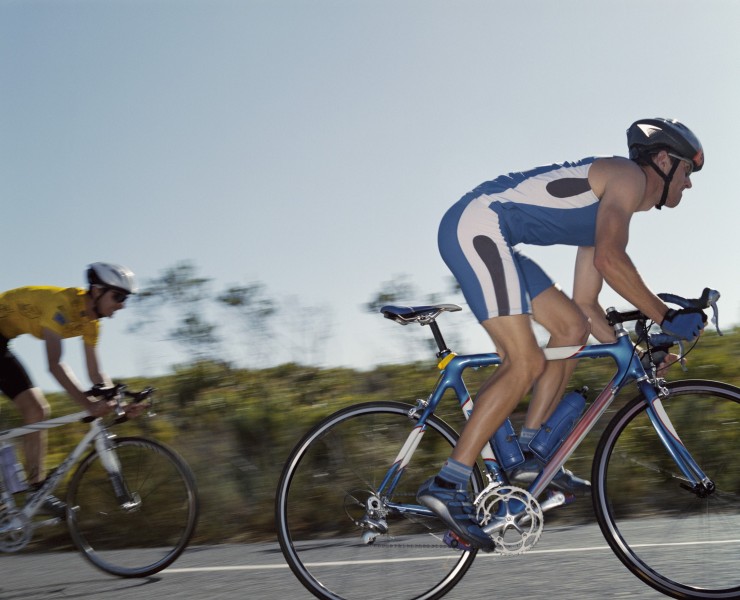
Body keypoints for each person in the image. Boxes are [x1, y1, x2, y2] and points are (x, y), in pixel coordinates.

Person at [417, 118, 707, 551]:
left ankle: (529, 458)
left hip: (494, 238)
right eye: (687, 171)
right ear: (662, 161)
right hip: (477, 227)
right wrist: (665, 316)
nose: (688, 184)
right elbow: (612, 261)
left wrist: (636, 351)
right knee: (526, 360)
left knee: (569, 327)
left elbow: (588, 307)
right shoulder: (626, 177)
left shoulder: (612, 211)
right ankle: (449, 483)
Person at [0, 262, 138, 518]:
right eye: (118, 296)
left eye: (125, 298)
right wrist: (88, 405)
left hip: (2, 341)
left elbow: (96, 375)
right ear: (96, 291)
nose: (122, 305)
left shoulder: (91, 323)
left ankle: (35, 491)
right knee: (38, 409)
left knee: (36, 411)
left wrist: (118, 400)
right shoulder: (61, 306)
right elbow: (54, 364)